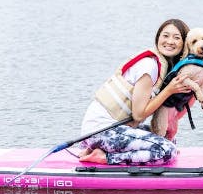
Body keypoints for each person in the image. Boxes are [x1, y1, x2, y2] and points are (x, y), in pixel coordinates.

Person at [78, 18, 194, 165]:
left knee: (166, 137)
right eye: (165, 35)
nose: (170, 41)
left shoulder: (163, 68)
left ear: (184, 44)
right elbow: (138, 114)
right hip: (100, 130)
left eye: (176, 37)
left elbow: (173, 114)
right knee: (166, 151)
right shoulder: (149, 66)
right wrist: (169, 90)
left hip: (112, 129)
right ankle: (105, 157)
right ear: (158, 38)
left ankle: (99, 149)